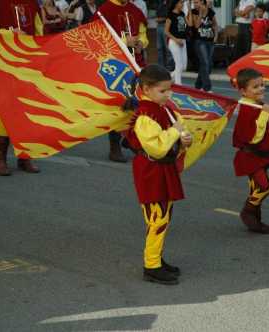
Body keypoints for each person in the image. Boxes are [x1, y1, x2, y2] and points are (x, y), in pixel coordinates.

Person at [124, 64, 193, 285]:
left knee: (164, 215)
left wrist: (184, 139)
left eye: (169, 89)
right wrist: (175, 132)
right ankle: (151, 266)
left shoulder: (163, 109)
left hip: (163, 168)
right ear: (146, 89)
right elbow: (157, 147)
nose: (168, 94)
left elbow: (177, 134)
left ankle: (157, 259)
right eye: (163, 91)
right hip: (151, 170)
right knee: (157, 219)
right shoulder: (145, 115)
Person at [0, 0, 43, 176]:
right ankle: (0, 159)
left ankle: (25, 156)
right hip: (4, 61)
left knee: (28, 110)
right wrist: (10, 33)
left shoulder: (32, 3)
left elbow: (39, 32)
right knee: (7, 110)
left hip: (28, 62)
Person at [92, 0, 148, 162]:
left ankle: (131, 140)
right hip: (115, 65)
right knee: (119, 105)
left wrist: (140, 43)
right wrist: (124, 42)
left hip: (136, 62)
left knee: (140, 102)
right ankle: (114, 147)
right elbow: (97, 38)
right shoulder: (105, 10)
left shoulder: (135, 10)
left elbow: (143, 34)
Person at [233, 68, 269, 234]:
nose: (261, 89)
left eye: (262, 85)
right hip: (251, 155)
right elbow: (253, 137)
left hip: (260, 154)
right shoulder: (248, 109)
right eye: (255, 87)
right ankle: (248, 211)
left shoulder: (256, 105)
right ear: (243, 91)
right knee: (266, 186)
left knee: (256, 187)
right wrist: (265, 114)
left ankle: (255, 220)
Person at [192, 0, 217, 92]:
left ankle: (198, 86)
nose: (196, 4)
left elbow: (215, 25)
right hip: (199, 41)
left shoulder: (211, 12)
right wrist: (201, 14)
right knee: (205, 63)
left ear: (204, 4)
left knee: (208, 65)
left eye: (198, 2)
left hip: (210, 41)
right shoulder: (194, 12)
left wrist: (216, 36)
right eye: (194, 3)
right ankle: (207, 88)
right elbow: (196, 25)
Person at [165, 0, 192, 85]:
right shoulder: (170, 15)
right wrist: (176, 40)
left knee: (183, 66)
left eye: (183, 3)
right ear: (176, 4)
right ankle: (178, 85)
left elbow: (190, 24)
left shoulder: (182, 14)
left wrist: (189, 10)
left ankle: (168, 78)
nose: (182, 4)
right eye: (181, 3)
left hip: (182, 41)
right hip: (174, 41)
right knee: (179, 65)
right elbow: (166, 31)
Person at [156, 0, 172, 69]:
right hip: (159, 26)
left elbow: (171, 15)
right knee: (159, 48)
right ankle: (160, 67)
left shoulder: (171, 2)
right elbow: (157, 13)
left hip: (166, 25)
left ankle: (170, 67)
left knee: (167, 48)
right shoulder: (160, 2)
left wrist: (162, 19)